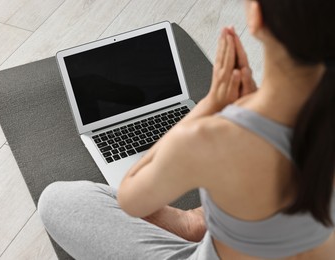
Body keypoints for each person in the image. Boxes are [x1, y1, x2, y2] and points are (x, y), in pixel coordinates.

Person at [38, 0, 335, 259]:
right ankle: (197, 222)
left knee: (58, 201)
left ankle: (197, 223)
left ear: (257, 17)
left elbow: (131, 197)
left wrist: (208, 108)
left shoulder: (213, 137)